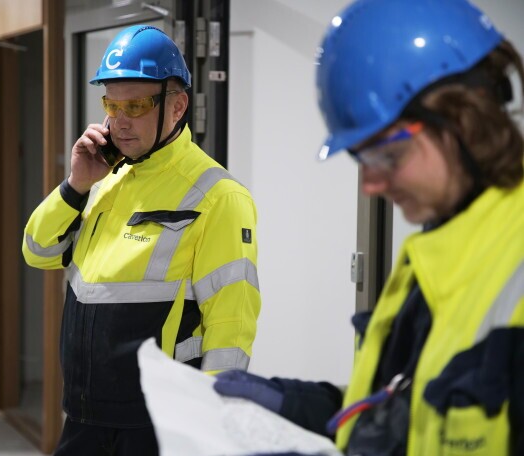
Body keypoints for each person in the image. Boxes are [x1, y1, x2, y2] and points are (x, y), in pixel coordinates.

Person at [214, 0, 524, 454]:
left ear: (463, 118)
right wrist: (292, 404)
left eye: (386, 155)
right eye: (361, 158)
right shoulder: (432, 259)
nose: (370, 185)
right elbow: (405, 410)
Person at [22, 24, 261, 455]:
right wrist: (76, 185)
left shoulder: (217, 196)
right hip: (84, 413)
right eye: (111, 104)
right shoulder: (105, 177)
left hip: (157, 422)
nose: (119, 121)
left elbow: (232, 324)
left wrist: (211, 426)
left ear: (177, 106)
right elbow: (38, 252)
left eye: (135, 105)